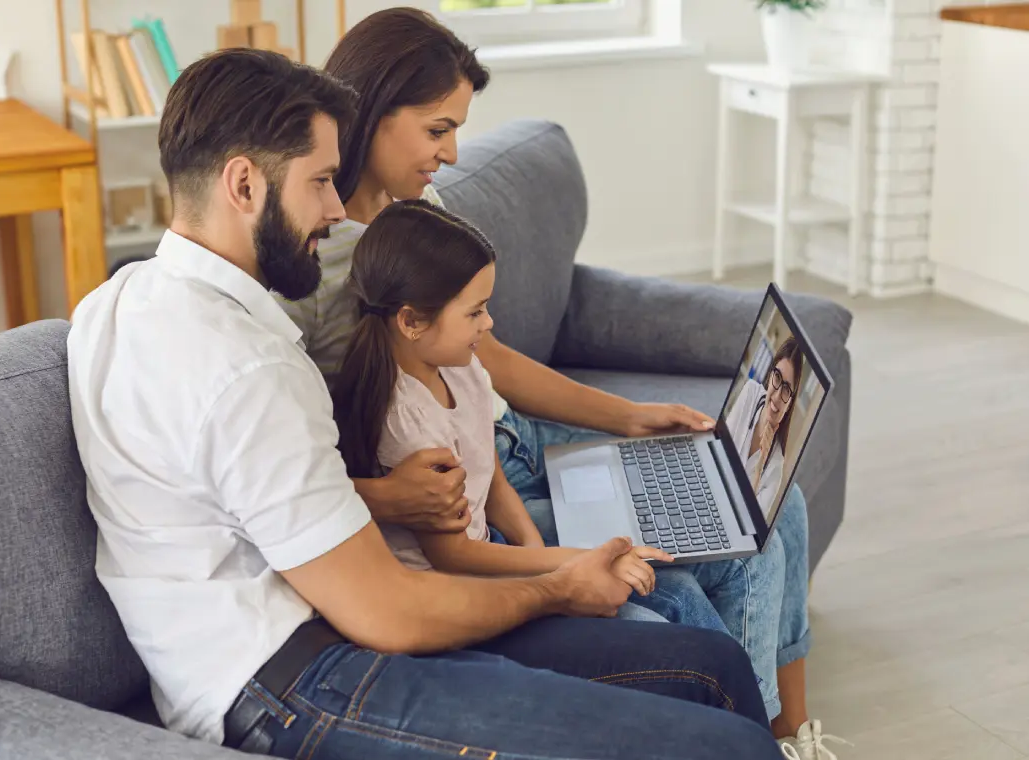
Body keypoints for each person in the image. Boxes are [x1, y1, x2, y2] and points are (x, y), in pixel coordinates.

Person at [66, 48, 783, 760]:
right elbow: (390, 611)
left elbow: (242, 493)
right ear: (245, 184)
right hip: (291, 682)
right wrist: (558, 587)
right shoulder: (244, 369)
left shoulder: (117, 303)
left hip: (326, 631)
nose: (334, 207)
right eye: (319, 181)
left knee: (709, 670)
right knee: (721, 745)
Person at [277, 8, 844, 759]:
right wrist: (387, 497)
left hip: (504, 439)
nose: (449, 153)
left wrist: (629, 417)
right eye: (437, 129)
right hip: (461, 474)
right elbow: (299, 437)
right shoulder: (314, 260)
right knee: (685, 571)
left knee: (766, 499)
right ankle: (745, 735)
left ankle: (787, 735)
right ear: (375, 112)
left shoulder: (416, 208)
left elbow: (490, 359)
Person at [330, 198, 669, 623]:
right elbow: (453, 556)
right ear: (411, 321)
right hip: (460, 590)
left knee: (670, 575)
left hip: (490, 550)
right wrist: (569, 567)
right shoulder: (406, 422)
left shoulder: (464, 368)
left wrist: (538, 552)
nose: (488, 323)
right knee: (654, 616)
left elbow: (493, 481)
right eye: (475, 311)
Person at [726, 338, 803, 520]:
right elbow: (719, 451)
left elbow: (751, 525)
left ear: (790, 401)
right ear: (770, 376)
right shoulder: (750, 394)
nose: (777, 396)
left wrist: (760, 468)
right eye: (777, 378)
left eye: (786, 389)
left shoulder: (776, 465)